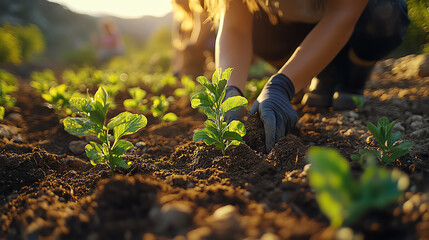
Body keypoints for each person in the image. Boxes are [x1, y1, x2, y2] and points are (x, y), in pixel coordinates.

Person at [204, 0, 409, 152]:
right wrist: (230, 90)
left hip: (358, 19)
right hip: (296, 28)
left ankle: (352, 76)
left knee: (384, 13)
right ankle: (318, 70)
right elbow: (235, 28)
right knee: (260, 27)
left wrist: (282, 85)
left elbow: (344, 11)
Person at [171, 0, 217, 78]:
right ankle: (183, 75)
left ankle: (195, 76)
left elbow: (200, 35)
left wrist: (188, 45)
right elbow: (177, 47)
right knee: (187, 48)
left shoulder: (199, 6)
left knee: (189, 49)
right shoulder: (182, 21)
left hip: (210, 46)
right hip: (203, 47)